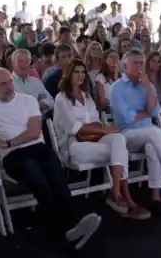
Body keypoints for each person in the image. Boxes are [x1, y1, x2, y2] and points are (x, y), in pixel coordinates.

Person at [0, 68, 102, 251]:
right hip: (13, 156)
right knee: (41, 183)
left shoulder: (28, 100)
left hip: (34, 148)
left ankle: (67, 227)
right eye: (3, 84)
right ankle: (64, 232)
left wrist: (9, 142)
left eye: (9, 82)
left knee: (58, 180)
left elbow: (34, 132)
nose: (8, 87)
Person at [52, 59, 149, 220]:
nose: (80, 75)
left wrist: (97, 128)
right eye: (76, 72)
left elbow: (96, 121)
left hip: (94, 139)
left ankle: (116, 192)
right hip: (74, 146)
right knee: (120, 151)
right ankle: (124, 197)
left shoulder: (87, 96)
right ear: (68, 74)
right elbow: (74, 128)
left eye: (83, 72)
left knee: (118, 140)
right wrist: (102, 129)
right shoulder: (61, 98)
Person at [110, 49, 161, 213]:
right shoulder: (116, 88)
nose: (139, 66)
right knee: (154, 131)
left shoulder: (147, 85)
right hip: (125, 135)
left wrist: (148, 88)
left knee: (153, 144)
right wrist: (146, 113)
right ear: (125, 65)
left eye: (141, 63)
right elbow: (129, 118)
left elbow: (156, 111)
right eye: (135, 63)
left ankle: (156, 198)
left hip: (147, 134)